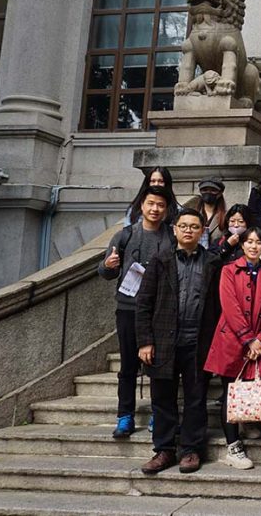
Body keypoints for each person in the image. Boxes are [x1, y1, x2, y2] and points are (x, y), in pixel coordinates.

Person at [135, 208, 223, 475]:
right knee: (163, 398)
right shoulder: (160, 260)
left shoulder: (212, 262)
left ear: (202, 231)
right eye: (183, 226)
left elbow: (219, 305)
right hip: (163, 341)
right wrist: (145, 341)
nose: (188, 231)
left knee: (196, 398)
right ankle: (164, 449)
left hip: (198, 341)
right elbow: (143, 303)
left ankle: (191, 449)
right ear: (174, 229)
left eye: (194, 227)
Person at [99, 185, 174, 439]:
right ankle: (125, 416)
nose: (155, 209)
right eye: (151, 203)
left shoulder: (171, 236)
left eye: (160, 205)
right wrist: (108, 265)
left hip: (160, 310)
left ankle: (158, 414)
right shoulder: (125, 236)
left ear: (166, 209)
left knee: (159, 365)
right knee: (129, 365)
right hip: (128, 307)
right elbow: (106, 273)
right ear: (141, 205)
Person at [203, 227, 261, 470]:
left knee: (250, 385)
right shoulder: (228, 270)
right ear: (242, 245)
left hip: (258, 340)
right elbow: (230, 306)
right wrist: (248, 339)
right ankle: (233, 446)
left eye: (259, 242)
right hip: (232, 339)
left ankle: (246, 421)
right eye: (249, 242)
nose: (254, 246)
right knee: (230, 390)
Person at [197, 178, 227, 248]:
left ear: (220, 193)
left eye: (213, 190)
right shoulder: (193, 214)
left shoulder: (226, 216)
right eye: (204, 190)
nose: (208, 193)